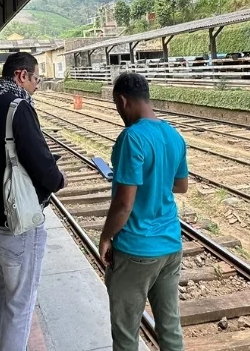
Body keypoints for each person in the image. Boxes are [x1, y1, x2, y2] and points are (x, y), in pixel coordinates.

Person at [0, 52, 67, 351]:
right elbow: (40, 163)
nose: (37, 85)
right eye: (36, 78)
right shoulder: (19, 107)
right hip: (14, 222)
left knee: (2, 289)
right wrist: (58, 179)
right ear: (21, 75)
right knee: (21, 303)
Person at [98, 73, 188, 351]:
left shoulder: (132, 138)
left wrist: (105, 237)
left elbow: (124, 204)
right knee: (170, 327)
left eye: (117, 105)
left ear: (123, 101)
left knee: (126, 333)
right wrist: (155, 180)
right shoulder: (173, 135)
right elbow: (181, 185)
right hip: (170, 245)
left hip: (137, 249)